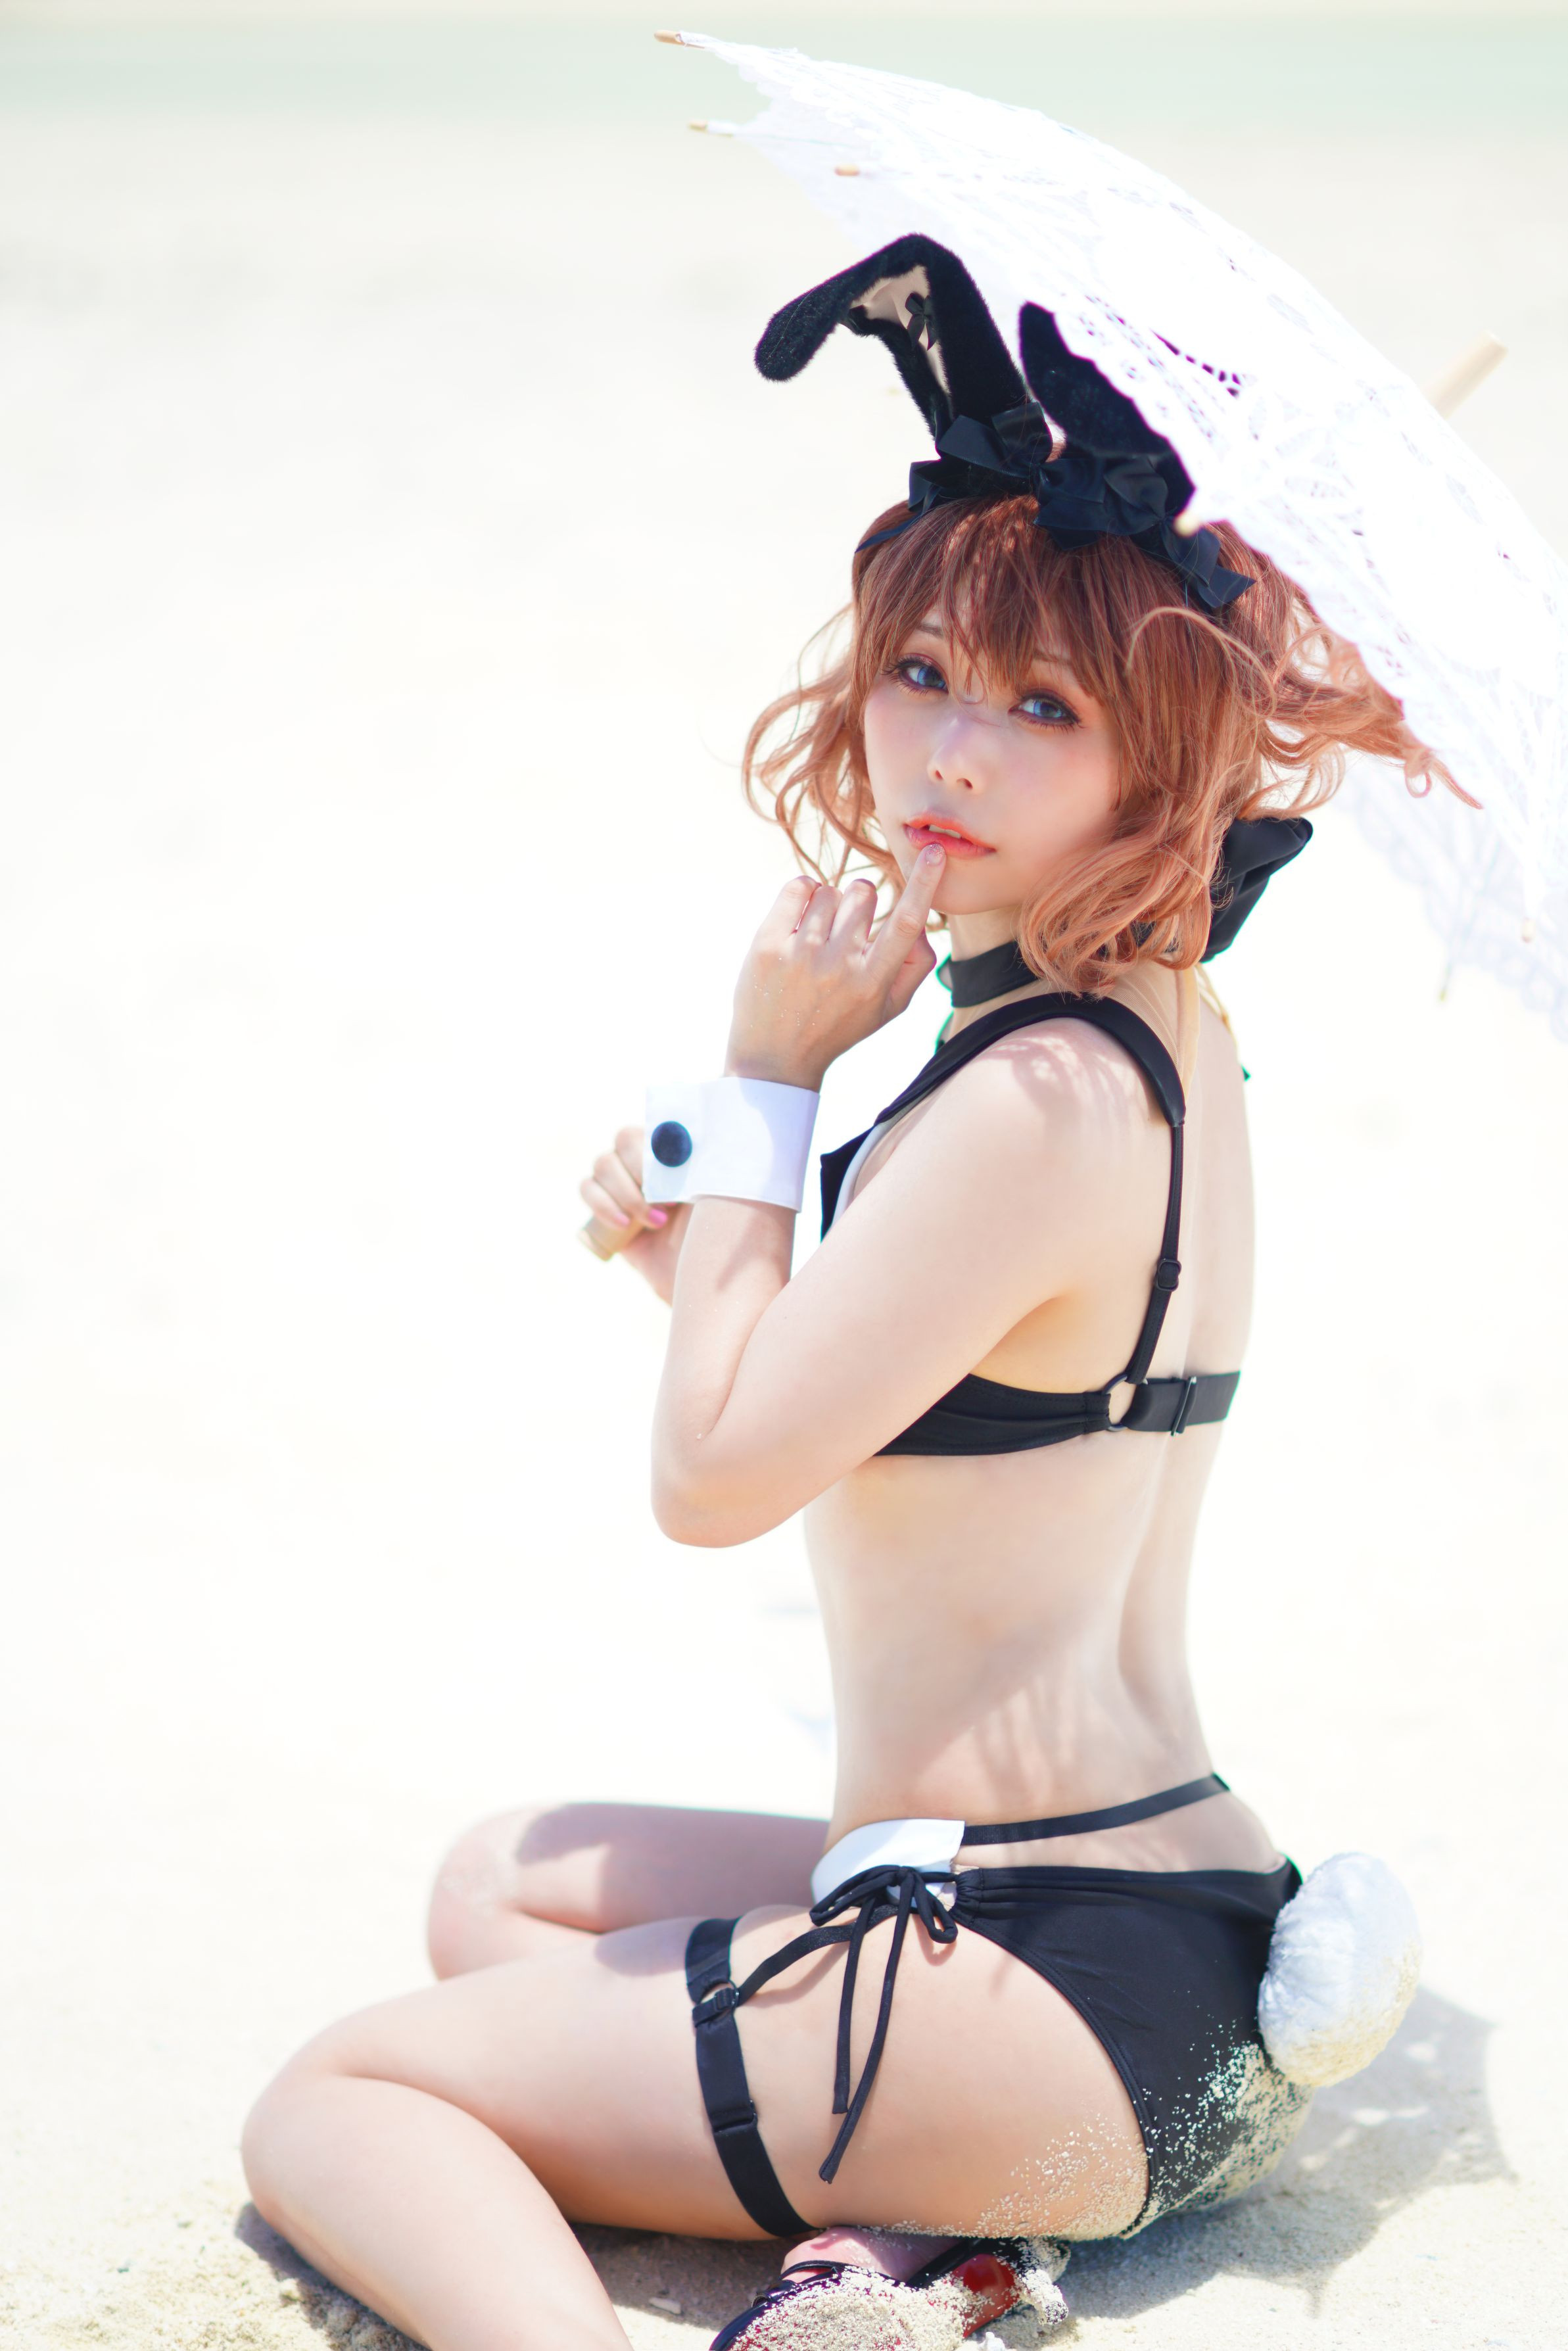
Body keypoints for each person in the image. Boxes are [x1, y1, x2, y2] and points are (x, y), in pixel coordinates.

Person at [241, 240, 1449, 2351]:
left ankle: (857, 2219)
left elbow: (711, 1484)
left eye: (1045, 706)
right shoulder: (1151, 1028)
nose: (948, 753)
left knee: (341, 2102)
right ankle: (901, 2251)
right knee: (498, 1887)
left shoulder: (1031, 1099)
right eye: (923, 670)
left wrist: (769, 1079)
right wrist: (703, 1258)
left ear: (1163, 754)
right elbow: (923, 1417)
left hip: (1028, 1977)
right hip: (1161, 1936)